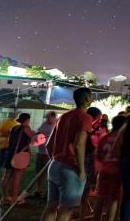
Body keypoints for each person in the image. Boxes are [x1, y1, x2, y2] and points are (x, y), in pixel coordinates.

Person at [41, 87, 94, 221]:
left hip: (55, 165)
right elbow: (78, 145)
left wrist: (55, 159)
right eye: (91, 96)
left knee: (51, 206)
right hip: (71, 168)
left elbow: (48, 145)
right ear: (87, 99)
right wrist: (82, 170)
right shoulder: (86, 118)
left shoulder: (64, 116)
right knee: (66, 210)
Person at [93, 115, 126, 221]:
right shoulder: (123, 138)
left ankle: (96, 219)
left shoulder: (105, 138)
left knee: (100, 197)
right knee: (114, 198)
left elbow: (98, 156)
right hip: (117, 171)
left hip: (104, 170)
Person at [1, 113, 34, 206]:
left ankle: (5, 197)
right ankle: (14, 199)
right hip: (20, 154)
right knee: (17, 177)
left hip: (10, 152)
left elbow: (10, 141)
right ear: (27, 120)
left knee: (6, 176)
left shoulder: (13, 128)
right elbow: (33, 139)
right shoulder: (26, 128)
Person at [81, 107, 103, 221]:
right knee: (84, 192)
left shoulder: (87, 128)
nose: (99, 121)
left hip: (82, 162)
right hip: (87, 163)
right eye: (98, 118)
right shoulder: (87, 129)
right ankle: (82, 215)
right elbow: (93, 149)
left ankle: (83, 211)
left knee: (84, 191)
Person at [33, 111, 58, 198]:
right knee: (39, 172)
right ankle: (38, 190)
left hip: (50, 154)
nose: (47, 119)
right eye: (46, 117)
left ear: (54, 117)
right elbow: (38, 133)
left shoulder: (57, 125)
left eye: (48, 117)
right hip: (40, 152)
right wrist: (36, 136)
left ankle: (50, 192)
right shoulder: (44, 124)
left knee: (50, 173)